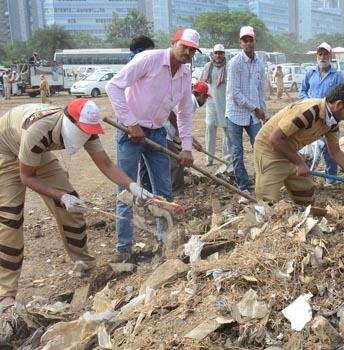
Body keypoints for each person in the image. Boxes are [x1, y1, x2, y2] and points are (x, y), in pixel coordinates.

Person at [0, 99, 154, 312]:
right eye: (81, 131)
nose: (84, 136)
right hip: (6, 151)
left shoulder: (87, 130)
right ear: (69, 121)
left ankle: (85, 265)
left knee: (73, 207)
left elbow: (106, 164)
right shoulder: (38, 130)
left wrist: (133, 186)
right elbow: (27, 177)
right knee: (10, 219)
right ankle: (5, 293)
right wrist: (60, 196)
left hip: (37, 155)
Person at [106, 28, 199, 262]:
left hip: (156, 134)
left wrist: (186, 146)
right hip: (131, 133)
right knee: (127, 191)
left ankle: (164, 244)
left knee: (164, 192)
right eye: (184, 46)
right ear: (173, 42)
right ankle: (124, 248)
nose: (187, 52)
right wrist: (130, 123)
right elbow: (113, 87)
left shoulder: (186, 74)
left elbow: (185, 113)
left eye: (192, 50)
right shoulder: (149, 59)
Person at [254, 83, 344, 205]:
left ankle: (301, 219)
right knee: (266, 201)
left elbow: (335, 152)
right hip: (269, 150)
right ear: (338, 104)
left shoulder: (332, 122)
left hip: (290, 152)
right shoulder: (309, 111)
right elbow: (275, 139)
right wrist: (299, 163)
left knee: (306, 193)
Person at [225, 26, 268, 203]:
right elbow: (235, 94)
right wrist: (255, 109)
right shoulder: (235, 63)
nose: (248, 43)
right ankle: (244, 188)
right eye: (245, 40)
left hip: (254, 115)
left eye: (251, 39)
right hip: (235, 114)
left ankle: (262, 185)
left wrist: (264, 113)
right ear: (241, 43)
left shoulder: (260, 64)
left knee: (261, 149)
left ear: (254, 41)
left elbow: (261, 91)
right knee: (237, 152)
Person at [299, 42, 344, 186]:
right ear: (316, 56)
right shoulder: (310, 73)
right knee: (309, 149)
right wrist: (309, 103)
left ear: (330, 56)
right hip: (311, 117)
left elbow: (341, 97)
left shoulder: (337, 76)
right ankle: (307, 177)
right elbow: (302, 91)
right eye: (320, 54)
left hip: (329, 119)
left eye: (325, 54)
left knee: (330, 149)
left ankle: (331, 180)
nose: (323, 57)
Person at [200, 43, 230, 167]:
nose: (218, 55)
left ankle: (227, 159)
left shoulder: (229, 67)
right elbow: (202, 83)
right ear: (213, 54)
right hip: (211, 103)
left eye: (220, 53)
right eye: (216, 53)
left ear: (224, 54)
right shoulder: (208, 66)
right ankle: (209, 158)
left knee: (226, 130)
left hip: (225, 103)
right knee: (210, 127)